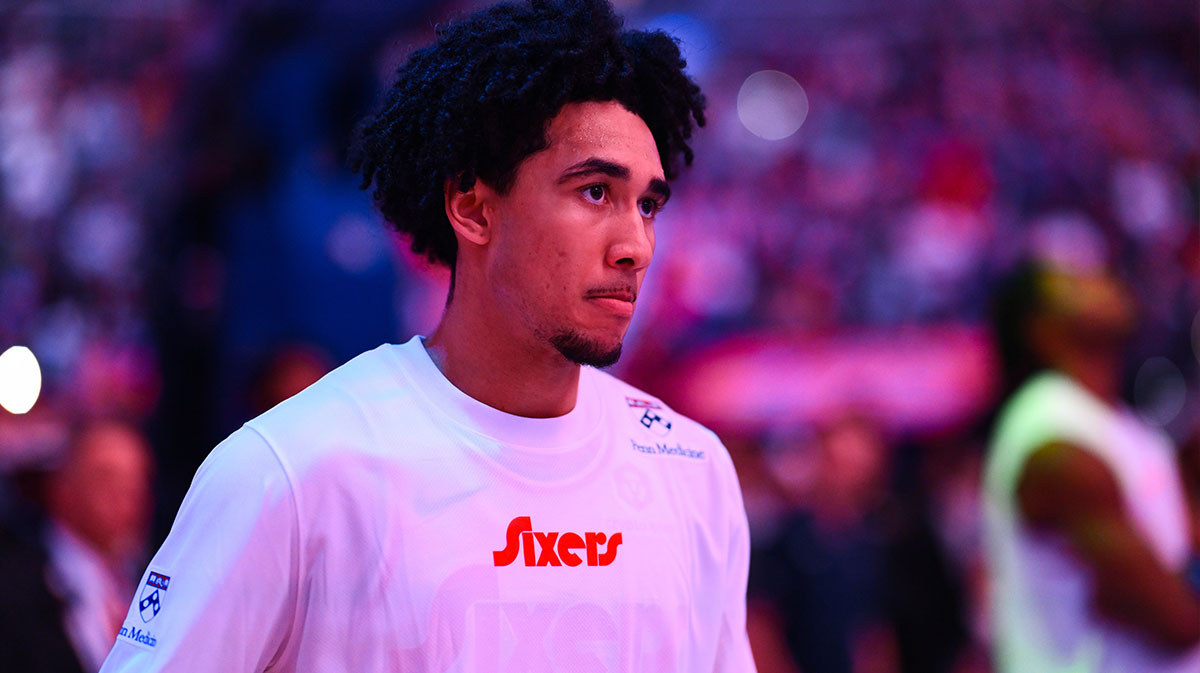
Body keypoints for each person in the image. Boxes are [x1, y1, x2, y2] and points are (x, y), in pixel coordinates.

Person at [100, 0, 756, 670]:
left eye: (647, 204)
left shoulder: (694, 472)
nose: (636, 245)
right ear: (472, 207)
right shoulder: (291, 469)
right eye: (594, 192)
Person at [984, 262, 1200, 673]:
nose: (1101, 278)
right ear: (1042, 330)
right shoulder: (1055, 441)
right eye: (1075, 278)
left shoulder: (1120, 427)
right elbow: (1177, 621)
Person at [0, 417, 153, 673]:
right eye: (107, 477)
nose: (127, 494)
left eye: (138, 480)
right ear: (63, 488)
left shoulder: (155, 580)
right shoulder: (14, 587)